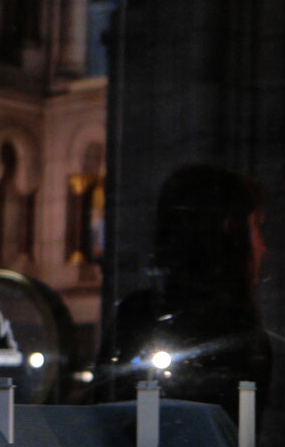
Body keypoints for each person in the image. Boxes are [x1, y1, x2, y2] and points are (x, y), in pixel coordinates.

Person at [111, 164, 272, 420]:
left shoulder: (138, 315)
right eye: (256, 227)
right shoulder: (240, 336)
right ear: (229, 231)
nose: (263, 247)